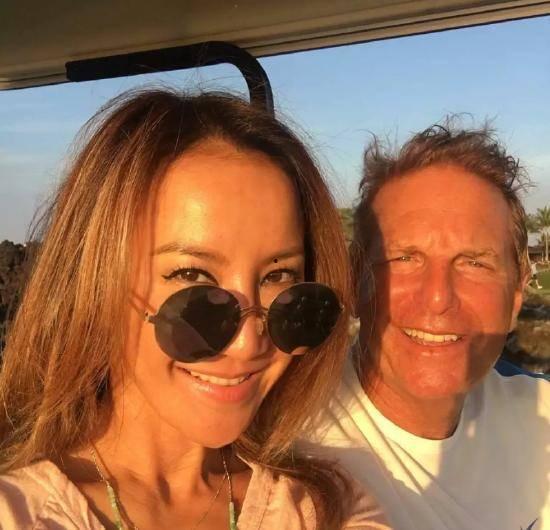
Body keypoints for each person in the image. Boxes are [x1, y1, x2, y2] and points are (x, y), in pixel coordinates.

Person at [0, 89, 389, 529]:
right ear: (95, 283)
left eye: (279, 276)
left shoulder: (324, 510)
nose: (248, 343)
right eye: (192, 277)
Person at [307, 123, 550, 530]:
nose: (438, 297)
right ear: (356, 281)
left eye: (474, 263)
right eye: (404, 258)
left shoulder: (539, 413)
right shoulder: (292, 456)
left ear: (516, 296)